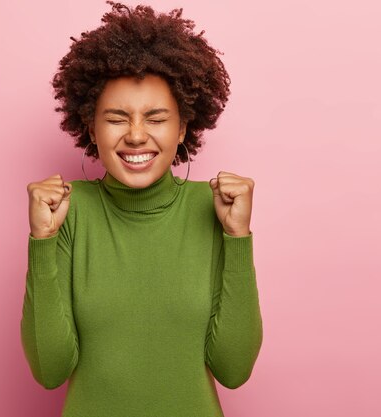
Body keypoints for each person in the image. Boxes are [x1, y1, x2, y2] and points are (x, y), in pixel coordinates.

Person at [20, 2, 263, 416]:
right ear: (91, 128)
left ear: (183, 127)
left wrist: (237, 238)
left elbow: (234, 369)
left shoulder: (217, 207)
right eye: (116, 118)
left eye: (156, 118)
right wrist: (41, 241)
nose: (136, 136)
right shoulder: (67, 211)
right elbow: (50, 370)